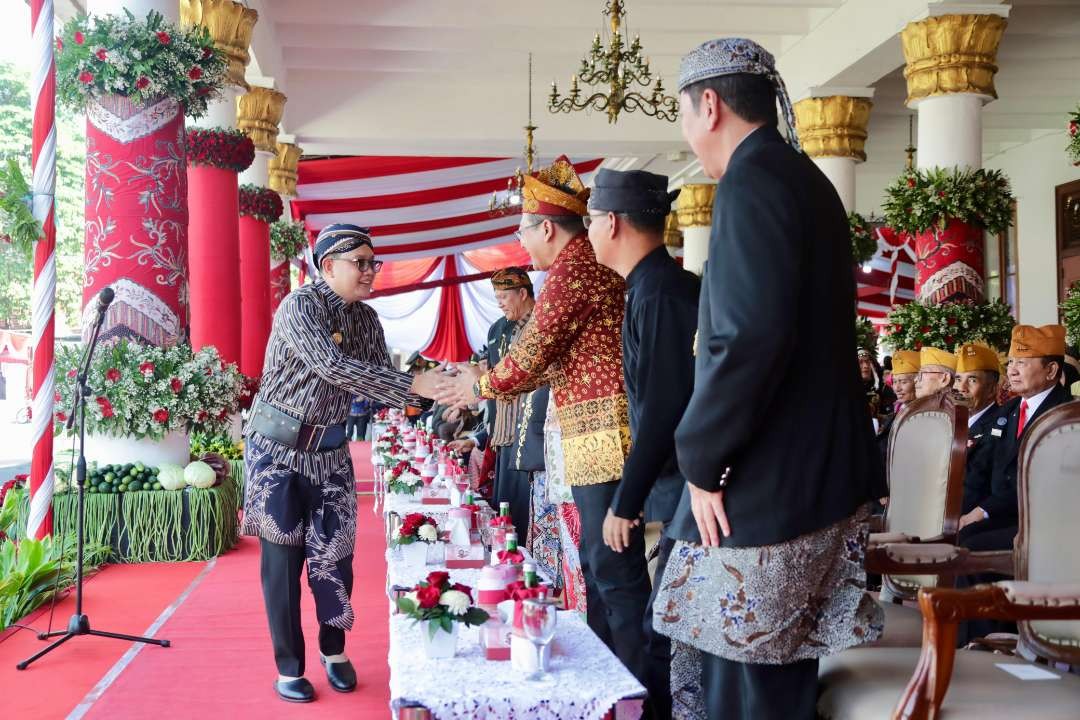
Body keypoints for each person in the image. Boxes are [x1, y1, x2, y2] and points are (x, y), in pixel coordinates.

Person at [651, 39, 884, 720]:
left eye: (684, 115)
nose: (687, 134)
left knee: (748, 685)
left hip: (772, 480)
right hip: (804, 473)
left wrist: (700, 456)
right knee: (767, 680)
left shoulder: (754, 182)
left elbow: (747, 337)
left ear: (711, 105)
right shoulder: (796, 176)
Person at [434, 156, 643, 690]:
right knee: (598, 570)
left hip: (602, 436)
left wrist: (475, 387)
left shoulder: (573, 271)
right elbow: (538, 360)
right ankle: (610, 679)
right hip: (591, 433)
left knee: (611, 572)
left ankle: (631, 689)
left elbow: (531, 354)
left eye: (522, 230)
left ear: (546, 227)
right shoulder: (576, 267)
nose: (522, 242)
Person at [242, 223, 441, 703]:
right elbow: (332, 366)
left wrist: (427, 398)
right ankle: (289, 666)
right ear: (328, 266)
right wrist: (415, 387)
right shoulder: (299, 308)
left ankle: (334, 650)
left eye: (375, 262)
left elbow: (378, 381)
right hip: (277, 453)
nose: (372, 271)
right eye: (362, 263)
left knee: (336, 558)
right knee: (283, 561)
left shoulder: (368, 320)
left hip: (330, 453)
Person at [587, 167, 698, 720]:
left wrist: (623, 503)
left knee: (666, 630)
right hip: (680, 482)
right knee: (664, 626)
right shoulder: (651, 287)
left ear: (610, 222)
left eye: (588, 221)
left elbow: (662, 410)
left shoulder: (663, 294)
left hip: (694, 487)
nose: (587, 232)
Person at [958, 325, 1072, 547]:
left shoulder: (1066, 414)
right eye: (1010, 362)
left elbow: (1043, 480)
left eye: (1022, 362)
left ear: (1050, 371)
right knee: (959, 534)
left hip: (1043, 520)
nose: (1011, 371)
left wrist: (983, 511)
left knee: (971, 544)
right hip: (1003, 513)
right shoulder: (1009, 410)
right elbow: (983, 464)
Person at [486, 267, 537, 540]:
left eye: (504, 296)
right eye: (497, 297)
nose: (500, 302)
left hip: (530, 436)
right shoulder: (499, 329)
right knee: (505, 511)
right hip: (505, 434)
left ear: (523, 293)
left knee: (525, 516)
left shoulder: (542, 324)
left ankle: (528, 575)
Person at [953, 343, 1003, 515]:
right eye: (958, 379)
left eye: (972, 380)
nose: (961, 388)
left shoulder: (1000, 427)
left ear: (992, 390)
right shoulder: (951, 423)